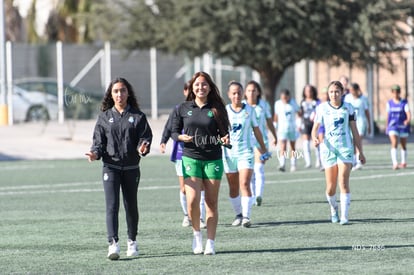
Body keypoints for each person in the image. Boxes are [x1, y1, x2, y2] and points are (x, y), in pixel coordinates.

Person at [86, 77, 153, 260]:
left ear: (127, 93)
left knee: (131, 206)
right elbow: (98, 143)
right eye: (115, 91)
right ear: (111, 94)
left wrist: (143, 146)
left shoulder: (138, 116)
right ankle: (113, 244)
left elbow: (145, 137)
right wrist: (94, 154)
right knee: (112, 206)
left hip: (132, 168)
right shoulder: (104, 117)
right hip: (110, 167)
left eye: (122, 90)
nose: (119, 94)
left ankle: (132, 242)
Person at [171, 71, 230, 255]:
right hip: (190, 158)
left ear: (210, 87)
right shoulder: (183, 108)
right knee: (192, 202)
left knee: (211, 202)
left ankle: (210, 243)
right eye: (197, 84)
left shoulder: (217, 108)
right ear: (192, 87)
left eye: (204, 84)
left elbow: (224, 134)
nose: (201, 87)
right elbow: (173, 131)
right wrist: (180, 137)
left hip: (213, 159)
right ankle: (197, 236)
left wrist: (225, 140)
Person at [311, 80, 366, 225]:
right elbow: (315, 128)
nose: (334, 94)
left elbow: (355, 131)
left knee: (343, 181)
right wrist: (314, 138)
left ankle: (344, 216)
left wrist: (360, 152)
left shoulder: (348, 108)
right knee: (330, 187)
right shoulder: (322, 108)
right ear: (327, 94)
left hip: (345, 149)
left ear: (342, 93)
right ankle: (334, 208)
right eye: (331, 92)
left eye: (337, 91)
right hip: (328, 150)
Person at [160, 81, 206, 228]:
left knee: (201, 187)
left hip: (201, 152)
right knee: (184, 188)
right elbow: (170, 126)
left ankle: (201, 217)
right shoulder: (179, 109)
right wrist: (163, 141)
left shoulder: (204, 107)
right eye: (187, 89)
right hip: (181, 152)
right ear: (185, 91)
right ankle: (187, 215)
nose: (189, 92)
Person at [224, 81, 269, 228]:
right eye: (234, 93)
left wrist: (263, 148)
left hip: (245, 152)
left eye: (239, 92)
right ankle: (238, 214)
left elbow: (256, 130)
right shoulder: (225, 111)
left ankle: (246, 217)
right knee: (233, 187)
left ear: (242, 94)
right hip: (229, 154)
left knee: (245, 183)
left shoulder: (249, 110)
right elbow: (219, 132)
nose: (237, 95)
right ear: (229, 95)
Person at [244, 80, 277, 206]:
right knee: (250, 170)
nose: (251, 93)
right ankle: (251, 195)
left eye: (254, 90)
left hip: (261, 140)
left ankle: (258, 195)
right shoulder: (242, 105)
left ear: (258, 92)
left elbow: (269, 121)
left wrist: (275, 135)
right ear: (245, 93)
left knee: (259, 168)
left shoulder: (264, 105)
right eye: (249, 90)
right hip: (246, 142)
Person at [344, 82, 371, 170]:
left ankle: (359, 160)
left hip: (360, 122)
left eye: (353, 90)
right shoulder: (347, 98)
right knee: (352, 142)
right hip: (351, 122)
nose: (351, 92)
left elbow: (367, 112)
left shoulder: (363, 99)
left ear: (356, 90)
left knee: (358, 140)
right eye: (350, 90)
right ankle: (354, 161)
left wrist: (369, 124)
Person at [274, 89, 300, 172]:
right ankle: (282, 164)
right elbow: (276, 115)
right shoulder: (277, 104)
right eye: (282, 98)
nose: (284, 99)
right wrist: (275, 124)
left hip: (292, 128)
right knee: (283, 146)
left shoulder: (293, 102)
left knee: (292, 147)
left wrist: (299, 123)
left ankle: (293, 164)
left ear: (289, 97)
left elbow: (299, 112)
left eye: (285, 97)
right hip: (282, 128)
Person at [386, 84, 411, 170]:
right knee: (394, 142)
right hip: (393, 126)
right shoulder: (389, 103)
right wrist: (387, 126)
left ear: (399, 92)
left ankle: (403, 162)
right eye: (394, 92)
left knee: (403, 144)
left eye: (397, 92)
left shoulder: (404, 103)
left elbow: (408, 113)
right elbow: (388, 115)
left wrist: (408, 120)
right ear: (392, 93)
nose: (395, 94)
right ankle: (395, 163)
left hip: (402, 126)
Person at [299, 84, 320, 169]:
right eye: (306, 91)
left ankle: (319, 160)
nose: (308, 92)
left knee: (316, 141)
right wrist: (299, 122)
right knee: (306, 142)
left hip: (315, 123)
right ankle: (308, 162)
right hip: (306, 123)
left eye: (310, 91)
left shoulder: (317, 101)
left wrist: (315, 115)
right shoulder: (303, 101)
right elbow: (300, 113)